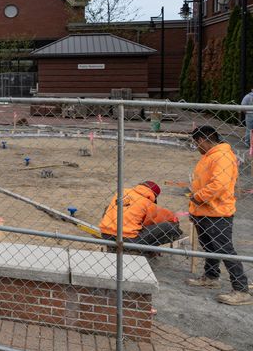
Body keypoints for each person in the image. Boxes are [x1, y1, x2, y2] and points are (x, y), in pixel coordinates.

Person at [186, 125, 252, 305]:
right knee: (210, 247)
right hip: (205, 211)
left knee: (225, 249)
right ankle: (211, 276)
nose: (196, 147)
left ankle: (241, 290)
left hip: (218, 212)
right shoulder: (210, 156)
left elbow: (219, 185)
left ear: (201, 140)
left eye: (195, 143)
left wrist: (198, 197)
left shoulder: (221, 156)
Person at [99, 181, 182, 248]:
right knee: (169, 226)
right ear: (154, 195)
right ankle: (146, 250)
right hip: (129, 239)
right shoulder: (148, 203)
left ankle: (112, 243)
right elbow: (147, 224)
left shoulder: (122, 192)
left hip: (106, 234)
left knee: (108, 208)